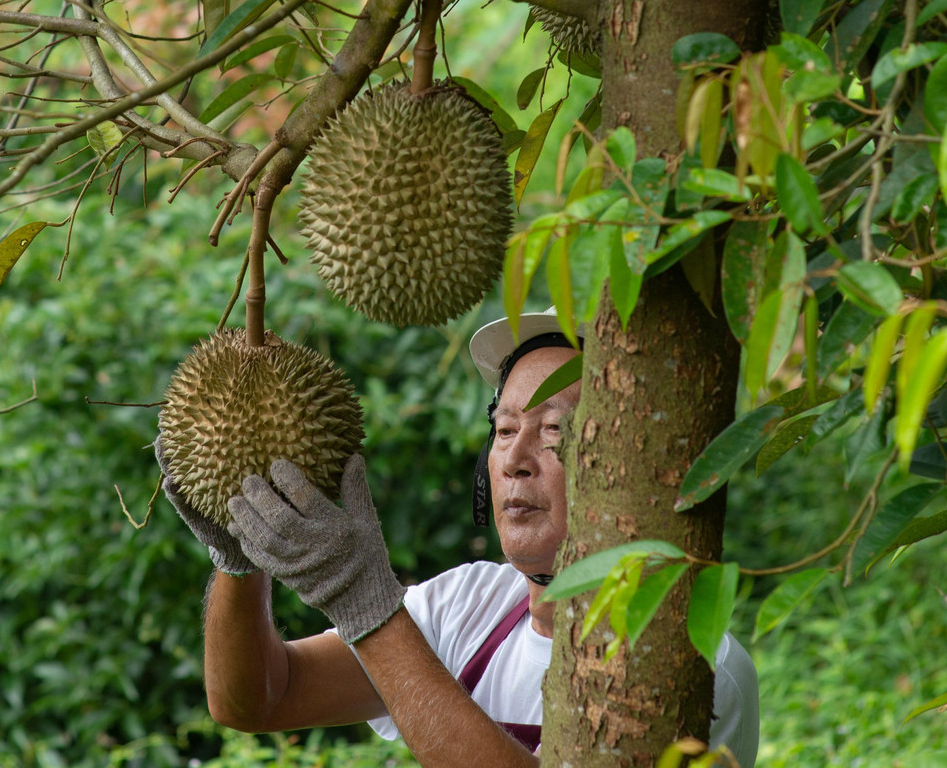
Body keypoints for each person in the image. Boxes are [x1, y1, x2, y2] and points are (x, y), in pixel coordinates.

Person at [158, 312, 761, 767]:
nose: (516, 460)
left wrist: (369, 607)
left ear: (623, 464)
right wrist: (238, 561)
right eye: (504, 429)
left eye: (556, 431)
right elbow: (258, 699)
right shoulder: (468, 606)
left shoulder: (692, 661)